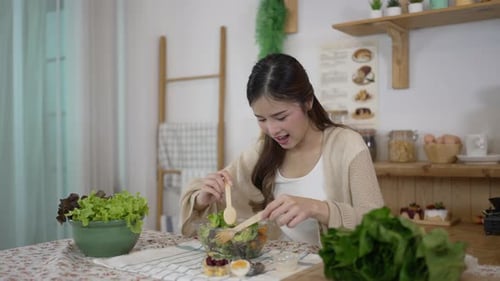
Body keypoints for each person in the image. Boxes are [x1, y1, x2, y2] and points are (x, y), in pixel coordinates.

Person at [180, 53, 384, 246]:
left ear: (308, 101)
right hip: (284, 267)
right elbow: (223, 199)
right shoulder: (262, 152)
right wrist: (202, 199)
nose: (272, 130)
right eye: (261, 119)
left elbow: (378, 224)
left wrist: (319, 208)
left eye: (281, 117)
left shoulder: (347, 145)